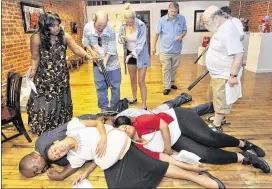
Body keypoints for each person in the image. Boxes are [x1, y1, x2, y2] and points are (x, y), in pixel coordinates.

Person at [114, 107, 270, 174]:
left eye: (125, 126)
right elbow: (162, 157)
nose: (125, 129)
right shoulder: (137, 146)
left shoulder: (140, 121)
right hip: (176, 138)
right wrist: (188, 166)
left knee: (208, 138)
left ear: (129, 123)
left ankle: (243, 144)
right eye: (122, 130)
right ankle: (247, 159)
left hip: (177, 119)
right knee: (205, 156)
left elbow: (163, 126)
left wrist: (168, 148)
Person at [27, 12, 93, 135]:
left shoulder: (64, 36)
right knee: (46, 101)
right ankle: (45, 127)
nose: (57, 28)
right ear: (45, 26)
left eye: (58, 25)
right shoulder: (36, 38)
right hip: (44, 77)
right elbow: (35, 57)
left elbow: (77, 49)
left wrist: (89, 56)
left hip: (60, 76)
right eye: (53, 26)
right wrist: (33, 71)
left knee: (62, 99)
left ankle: (61, 126)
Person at [202, 6, 244, 131]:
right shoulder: (221, 28)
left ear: (216, 18)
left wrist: (232, 76)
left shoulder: (229, 30)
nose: (206, 25)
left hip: (224, 74)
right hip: (217, 73)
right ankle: (218, 117)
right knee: (216, 97)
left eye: (207, 22)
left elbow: (239, 53)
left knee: (221, 98)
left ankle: (217, 125)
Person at [82, 11, 121, 112]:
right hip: (97, 62)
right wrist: (92, 53)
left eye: (104, 25)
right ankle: (103, 109)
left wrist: (104, 63)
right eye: (99, 25)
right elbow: (85, 41)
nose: (101, 28)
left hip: (112, 63)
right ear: (94, 20)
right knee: (100, 87)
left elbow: (112, 48)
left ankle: (114, 108)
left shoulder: (110, 28)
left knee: (115, 86)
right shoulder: (87, 27)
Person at [119, 3, 150, 109]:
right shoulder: (123, 26)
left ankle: (144, 104)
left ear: (134, 18)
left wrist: (132, 55)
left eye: (131, 22)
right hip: (129, 53)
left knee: (141, 81)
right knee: (132, 78)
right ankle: (134, 98)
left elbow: (141, 44)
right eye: (127, 22)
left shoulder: (141, 25)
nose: (130, 24)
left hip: (141, 55)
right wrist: (121, 39)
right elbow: (120, 38)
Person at [152, 2, 187, 95]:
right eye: (172, 11)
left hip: (177, 50)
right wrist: (153, 47)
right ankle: (167, 86)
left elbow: (185, 30)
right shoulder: (161, 20)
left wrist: (181, 36)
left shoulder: (182, 18)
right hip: (165, 50)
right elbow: (156, 35)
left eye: (175, 12)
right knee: (166, 68)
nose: (173, 14)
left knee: (174, 68)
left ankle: (171, 83)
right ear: (168, 9)